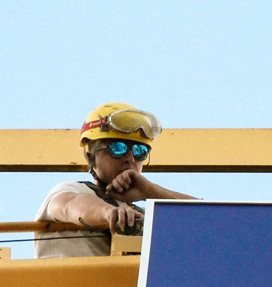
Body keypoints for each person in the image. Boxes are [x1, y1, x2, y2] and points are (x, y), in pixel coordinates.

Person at [34, 103, 195, 258]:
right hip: (72, 284)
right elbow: (70, 205)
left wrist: (150, 191)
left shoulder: (138, 215)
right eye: (118, 148)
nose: (130, 158)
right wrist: (109, 213)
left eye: (140, 152)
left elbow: (210, 219)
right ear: (91, 156)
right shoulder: (73, 190)